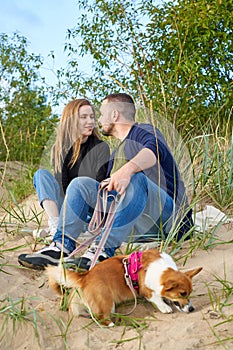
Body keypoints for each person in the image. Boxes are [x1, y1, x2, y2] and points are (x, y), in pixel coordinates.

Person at [18, 93, 193, 270]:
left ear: (114, 115)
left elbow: (152, 153)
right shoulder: (117, 154)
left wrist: (127, 170)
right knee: (80, 184)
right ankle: (60, 247)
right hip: (134, 227)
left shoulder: (144, 131)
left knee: (137, 178)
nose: (98, 120)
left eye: (100, 114)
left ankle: (102, 250)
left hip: (170, 219)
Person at [30, 98, 110, 240]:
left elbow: (98, 189)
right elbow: (62, 187)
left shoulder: (101, 147)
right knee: (41, 174)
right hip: (67, 208)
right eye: (84, 117)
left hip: (89, 212)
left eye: (92, 117)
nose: (90, 122)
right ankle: (56, 226)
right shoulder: (60, 148)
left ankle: (69, 227)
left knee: (80, 184)